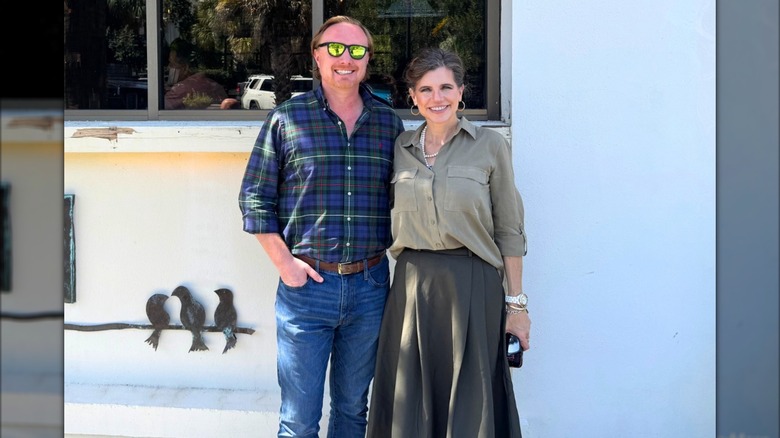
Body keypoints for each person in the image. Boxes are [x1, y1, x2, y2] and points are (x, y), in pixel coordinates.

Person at [238, 15, 404, 438]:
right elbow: (255, 198)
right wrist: (285, 266)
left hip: (370, 288)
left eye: (356, 50)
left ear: (367, 59)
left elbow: (406, 200)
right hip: (306, 290)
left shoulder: (390, 124)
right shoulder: (286, 120)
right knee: (298, 419)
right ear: (316, 56)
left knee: (353, 412)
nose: (345, 59)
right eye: (334, 49)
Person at [366, 47, 531, 438]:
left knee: (472, 400)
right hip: (411, 287)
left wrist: (517, 305)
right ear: (413, 97)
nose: (435, 98)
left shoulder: (490, 147)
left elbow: (509, 229)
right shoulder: (400, 148)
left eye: (444, 87)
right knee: (411, 396)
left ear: (460, 91)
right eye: (425, 89)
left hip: (472, 285)